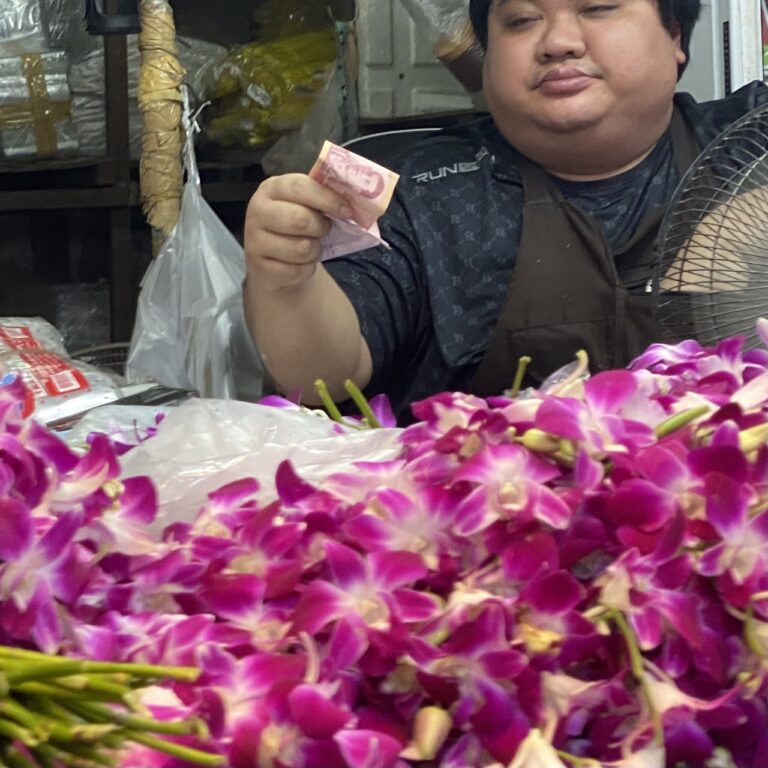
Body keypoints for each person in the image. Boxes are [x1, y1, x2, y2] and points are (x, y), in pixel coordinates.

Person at [243, 0, 768, 418]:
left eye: (598, 8)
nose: (559, 42)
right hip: (496, 524)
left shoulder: (748, 141)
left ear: (674, 34)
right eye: (520, 20)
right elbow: (325, 375)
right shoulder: (423, 192)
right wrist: (287, 281)